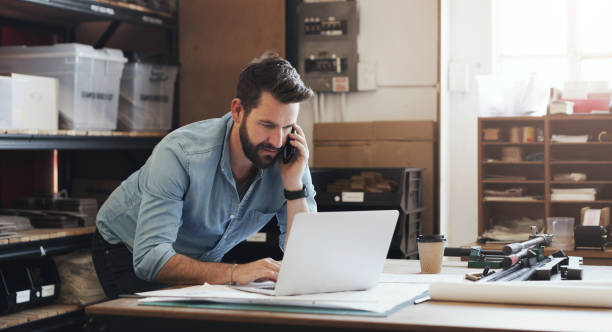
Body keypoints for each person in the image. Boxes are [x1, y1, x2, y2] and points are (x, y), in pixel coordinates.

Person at [91, 52, 317, 298]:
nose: (277, 140)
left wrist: (294, 186)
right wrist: (234, 272)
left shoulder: (289, 155)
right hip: (127, 249)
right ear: (238, 111)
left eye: (287, 127)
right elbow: (150, 259)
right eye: (267, 125)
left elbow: (304, 256)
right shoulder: (181, 154)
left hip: (201, 259)